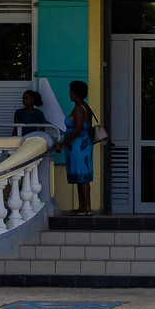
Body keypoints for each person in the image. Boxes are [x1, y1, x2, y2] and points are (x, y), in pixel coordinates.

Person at [60, 79, 98, 212]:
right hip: (82, 144)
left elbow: (78, 128)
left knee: (83, 176)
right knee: (80, 176)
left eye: (70, 90)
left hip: (78, 146)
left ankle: (86, 206)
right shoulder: (85, 106)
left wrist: (64, 143)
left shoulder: (78, 108)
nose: (69, 93)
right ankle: (82, 206)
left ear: (74, 93)